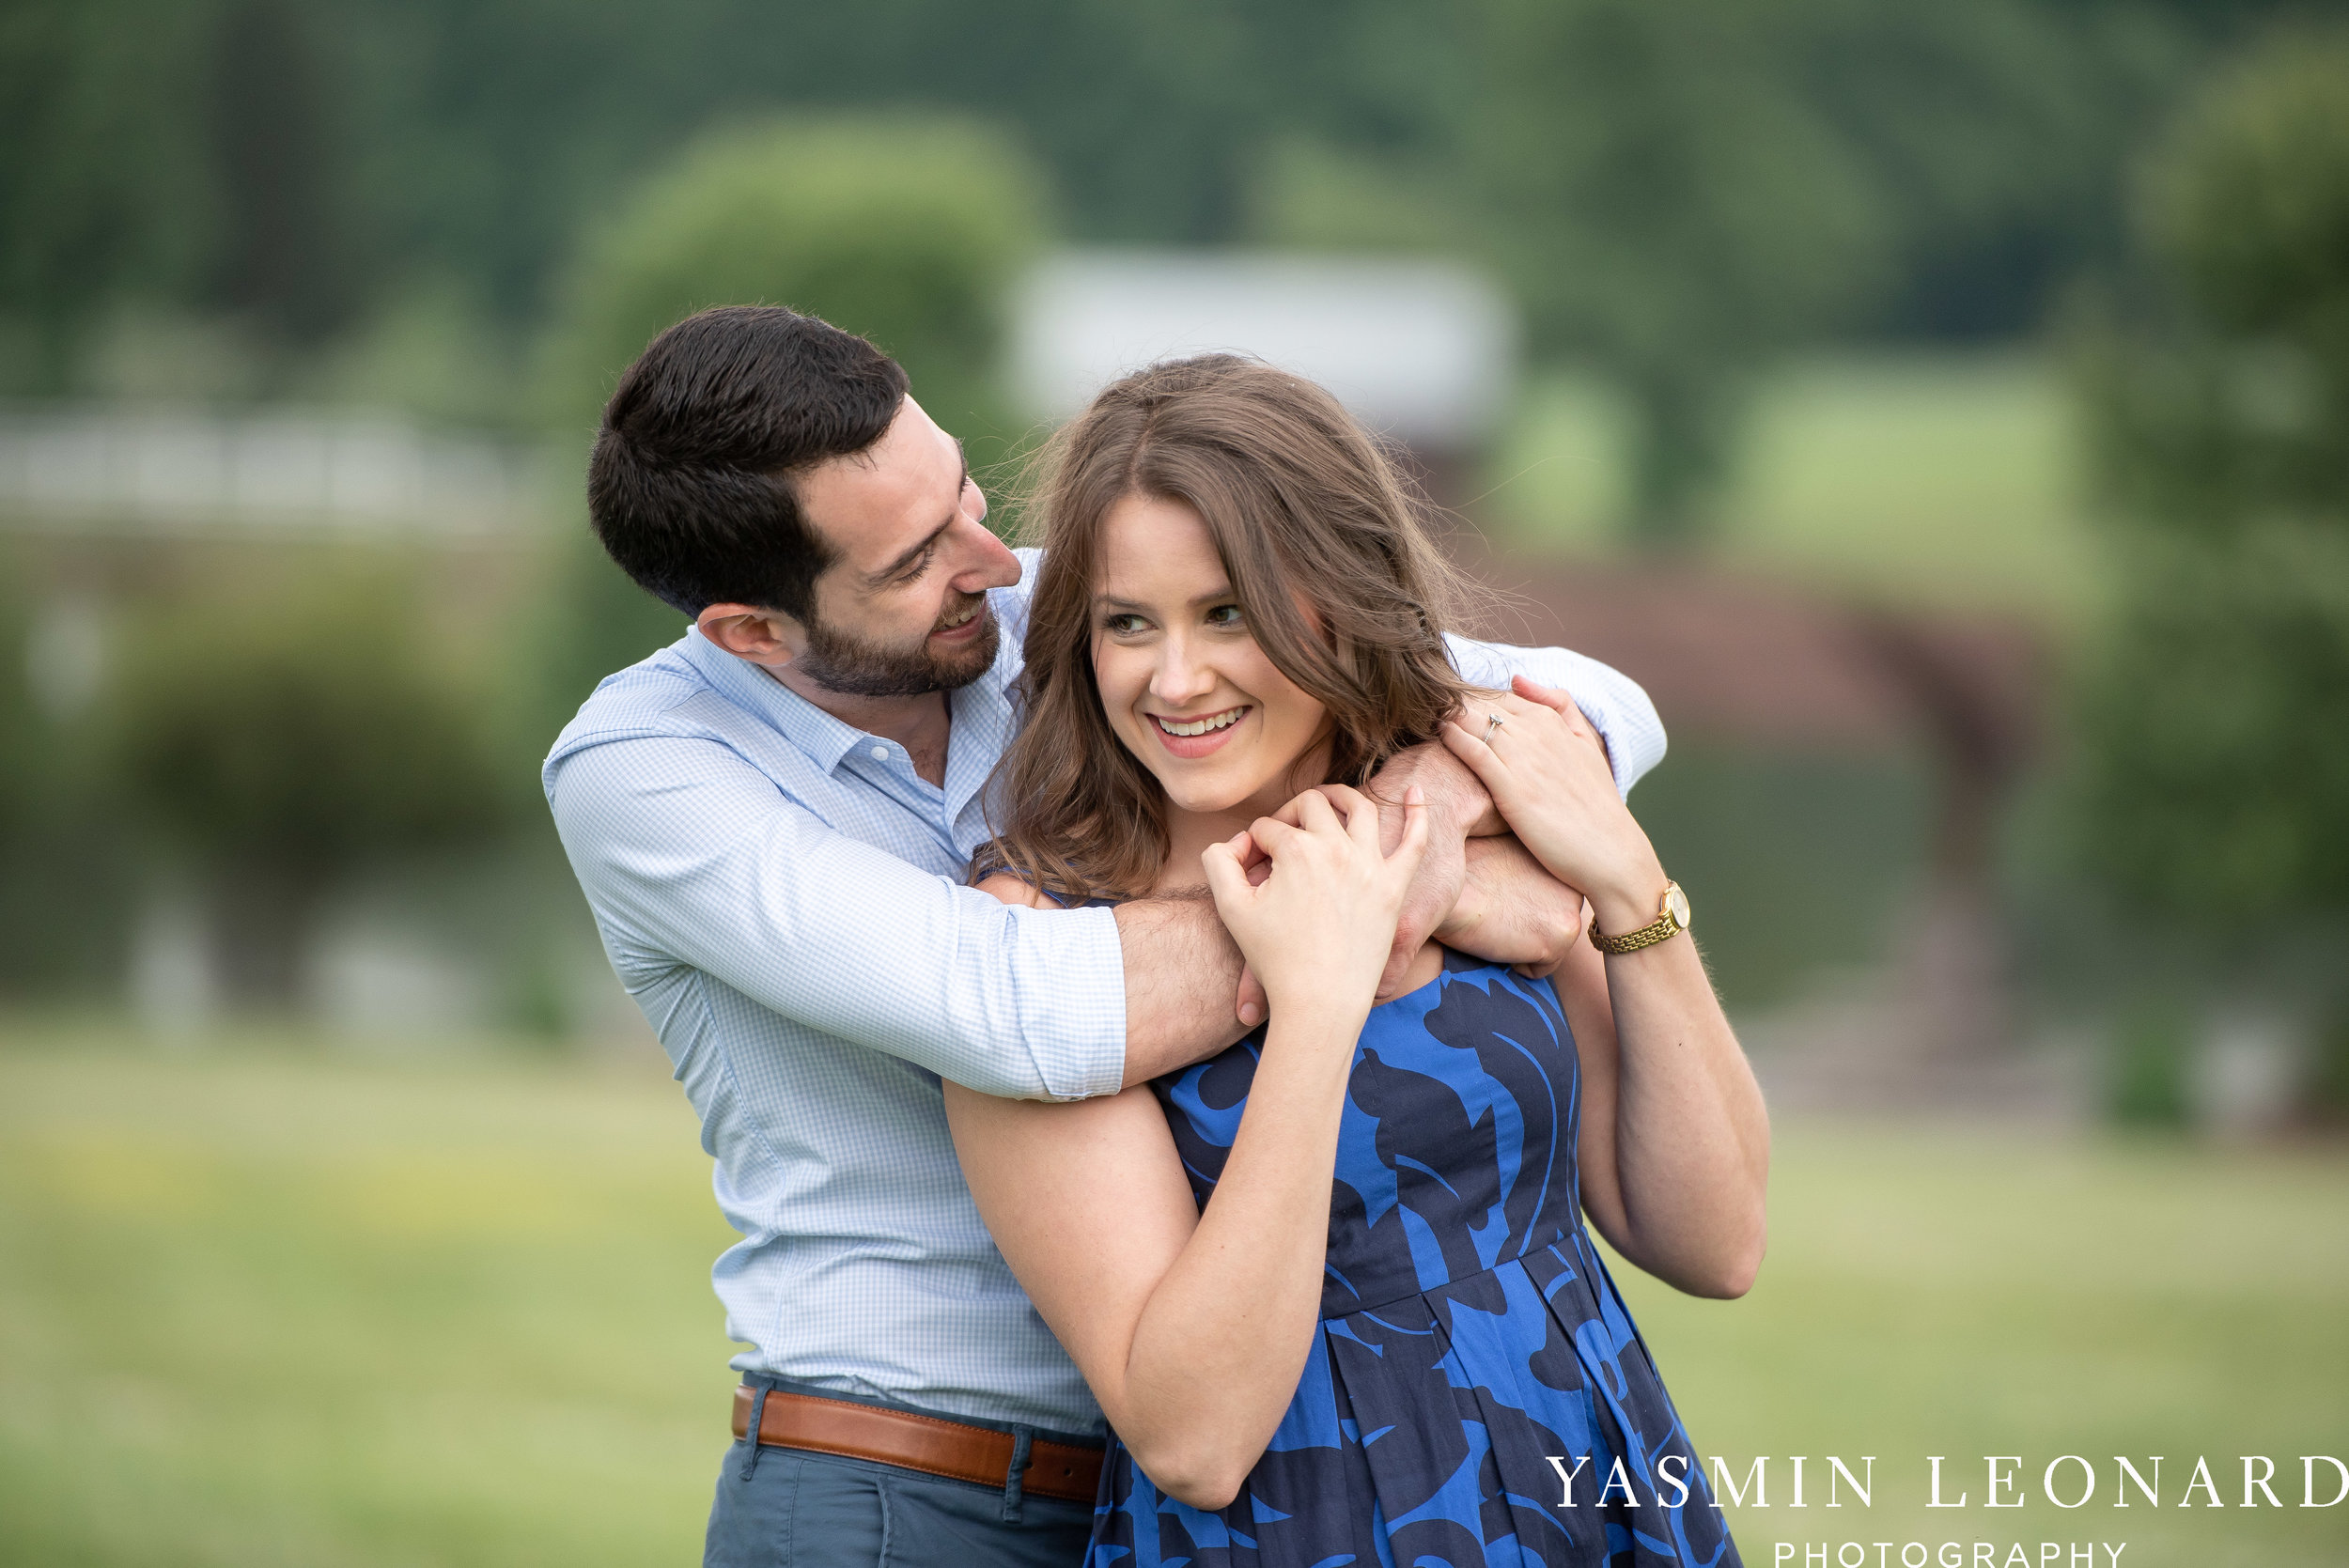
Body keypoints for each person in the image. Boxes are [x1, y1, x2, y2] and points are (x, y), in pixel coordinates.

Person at [541, 306, 1675, 1568]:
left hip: (1168, 1484)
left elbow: (1584, 702)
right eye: (917, 556)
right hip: (898, 1486)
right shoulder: (644, 771)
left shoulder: (1050, 615)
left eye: (967, 494)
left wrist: (1423, 832)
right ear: (752, 632)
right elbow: (1021, 1009)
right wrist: (1409, 900)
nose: (991, 558)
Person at [948, 354, 1767, 1566]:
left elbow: (1714, 1241)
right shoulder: (1039, 947)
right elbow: (1194, 1436)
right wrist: (1317, 1000)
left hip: (1588, 1490)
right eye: (1130, 624)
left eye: (1228, 612)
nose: (1175, 680)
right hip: (1310, 1527)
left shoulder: (1460, 822)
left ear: (1339, 594)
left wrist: (1629, 883)